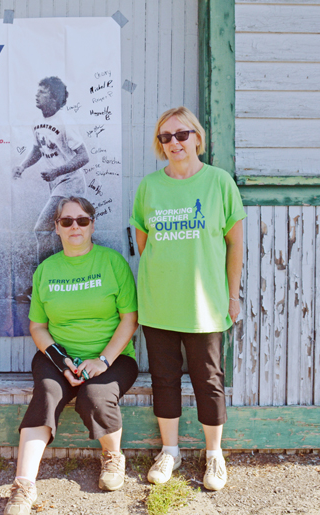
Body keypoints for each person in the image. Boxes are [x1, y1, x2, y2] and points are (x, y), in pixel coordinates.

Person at [3, 196, 139, 515]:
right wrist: (62, 360)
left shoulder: (112, 263)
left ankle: (112, 457)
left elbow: (129, 319)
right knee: (47, 395)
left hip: (113, 356)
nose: (74, 226)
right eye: (67, 221)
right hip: (56, 356)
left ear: (92, 224)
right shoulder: (47, 270)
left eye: (82, 220)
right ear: (57, 227)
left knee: (94, 397)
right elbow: (38, 327)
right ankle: (23, 487)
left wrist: (102, 361)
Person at [129, 106, 245, 492]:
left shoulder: (219, 182)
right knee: (164, 379)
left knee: (208, 380)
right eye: (166, 137)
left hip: (206, 305)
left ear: (197, 137)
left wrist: (232, 295)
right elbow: (145, 244)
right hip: (159, 302)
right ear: (160, 145)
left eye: (181, 134)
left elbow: (234, 246)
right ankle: (170, 450)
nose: (174, 142)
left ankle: (214, 455)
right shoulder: (149, 187)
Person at [13, 76, 89, 265]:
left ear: (54, 98)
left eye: (42, 92)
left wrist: (57, 172)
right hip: (56, 184)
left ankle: (43, 276)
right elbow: (38, 149)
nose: (36, 95)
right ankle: (59, 275)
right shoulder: (36, 121)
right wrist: (22, 166)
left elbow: (83, 156)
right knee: (57, 235)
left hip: (71, 183)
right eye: (37, 91)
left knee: (41, 230)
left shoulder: (65, 121)